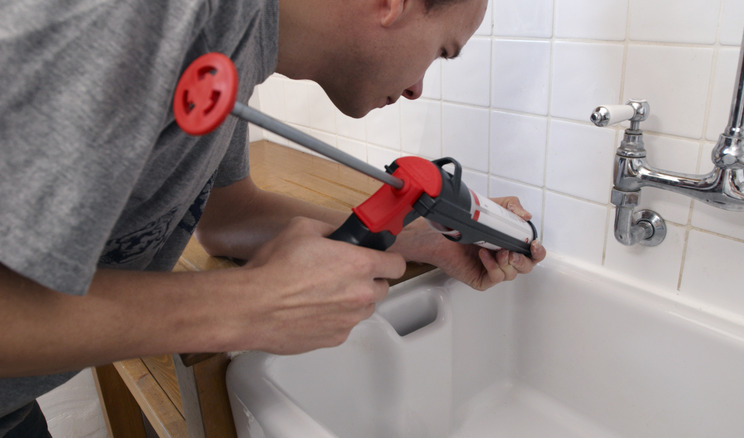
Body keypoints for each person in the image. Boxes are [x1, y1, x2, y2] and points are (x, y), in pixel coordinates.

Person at [0, 0, 546, 434]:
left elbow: (230, 216)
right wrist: (253, 304)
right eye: (442, 50)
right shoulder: (143, 14)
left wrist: (418, 240)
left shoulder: (235, 38)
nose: (417, 87)